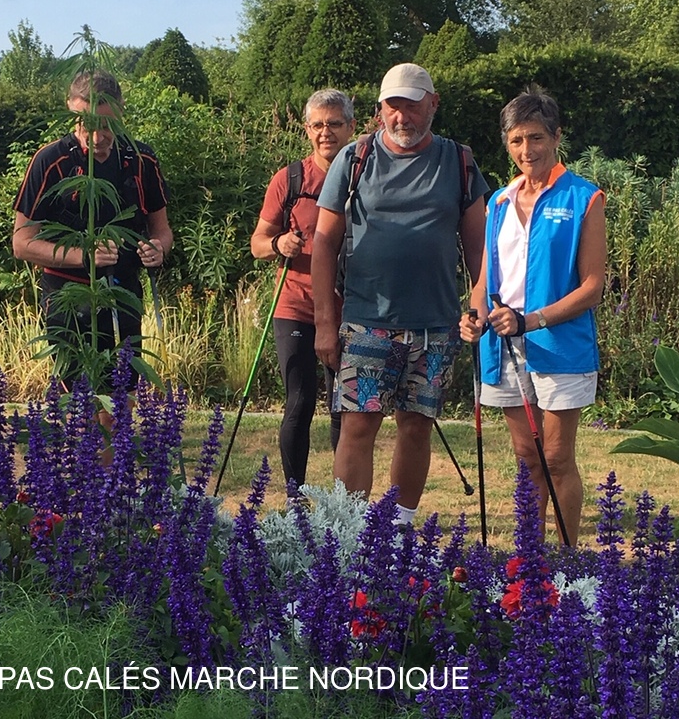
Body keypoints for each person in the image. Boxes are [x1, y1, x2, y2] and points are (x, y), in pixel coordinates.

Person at [312, 63, 488, 525]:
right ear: (379, 110)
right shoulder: (354, 159)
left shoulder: (459, 162)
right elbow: (324, 243)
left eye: (412, 105)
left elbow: (479, 248)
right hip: (366, 321)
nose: (401, 116)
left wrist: (478, 305)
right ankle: (347, 532)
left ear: (433, 104)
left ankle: (399, 531)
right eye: (393, 106)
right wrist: (325, 323)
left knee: (416, 427)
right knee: (357, 425)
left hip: (435, 325)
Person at [459, 86, 606, 546]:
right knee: (527, 457)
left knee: (556, 458)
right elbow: (485, 280)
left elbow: (593, 287)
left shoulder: (584, 197)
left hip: (559, 345)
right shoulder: (499, 203)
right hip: (503, 345)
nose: (527, 150)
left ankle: (567, 560)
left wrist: (531, 320)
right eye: (517, 140)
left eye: (537, 137)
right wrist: (474, 316)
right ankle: (530, 558)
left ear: (557, 136)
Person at [13, 69, 174, 386]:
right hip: (67, 297)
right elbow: (21, 243)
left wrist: (158, 249)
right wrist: (84, 256)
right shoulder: (50, 161)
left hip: (124, 292)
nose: (97, 136)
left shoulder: (141, 158)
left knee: (124, 397)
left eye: (107, 124)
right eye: (86, 123)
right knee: (77, 401)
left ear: (121, 111)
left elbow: (162, 230)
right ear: (69, 109)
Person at [250, 89, 355, 491]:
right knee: (299, 402)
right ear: (307, 129)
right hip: (295, 304)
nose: (325, 132)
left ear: (351, 127)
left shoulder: (365, 176)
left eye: (334, 124)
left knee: (344, 408)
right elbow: (258, 243)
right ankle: (295, 499)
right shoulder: (290, 179)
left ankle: (342, 500)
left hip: (351, 306)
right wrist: (279, 243)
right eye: (317, 125)